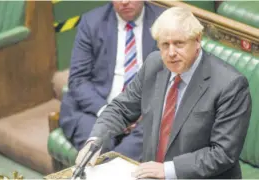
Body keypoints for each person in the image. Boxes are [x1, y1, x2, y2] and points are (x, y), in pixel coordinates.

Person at [77, 7, 252, 179]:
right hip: (150, 174)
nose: (171, 53)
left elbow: (222, 153)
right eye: (164, 45)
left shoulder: (230, 85)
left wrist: (168, 170)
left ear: (198, 40)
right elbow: (121, 108)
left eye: (179, 43)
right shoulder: (155, 64)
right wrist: (95, 141)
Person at [59, 1, 164, 161]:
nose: (124, 2)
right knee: (97, 148)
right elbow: (78, 80)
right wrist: (109, 113)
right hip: (95, 110)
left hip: (146, 115)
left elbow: (174, 78)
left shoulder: (164, 21)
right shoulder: (92, 22)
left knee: (126, 152)